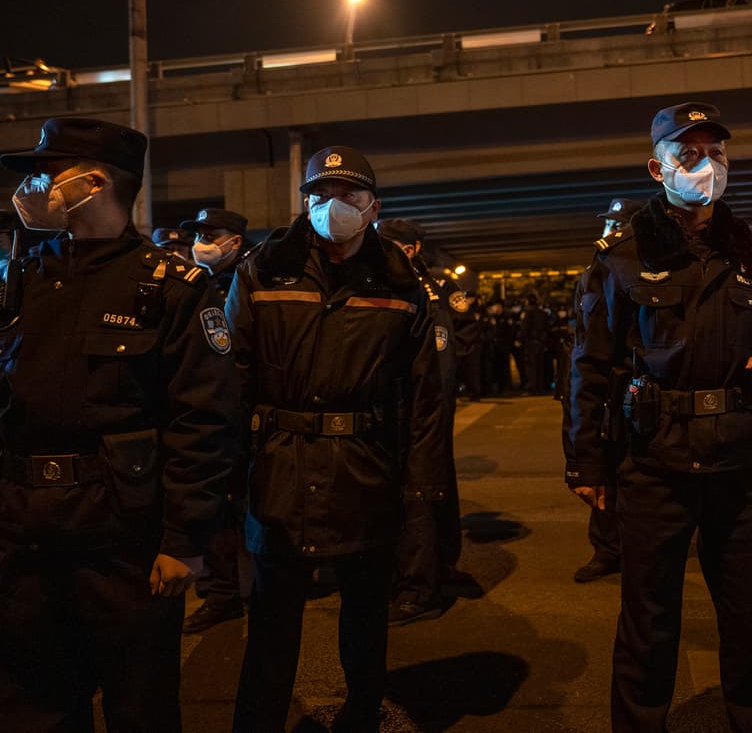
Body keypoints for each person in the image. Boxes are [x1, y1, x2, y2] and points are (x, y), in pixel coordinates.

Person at [567, 101, 752, 732]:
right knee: (648, 618)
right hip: (653, 463)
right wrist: (587, 461)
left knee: (748, 614)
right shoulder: (622, 256)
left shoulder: (751, 251)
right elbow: (589, 364)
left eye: (716, 153)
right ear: (657, 166)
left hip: (737, 462)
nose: (707, 167)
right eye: (689, 155)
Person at [0, 117, 240, 730]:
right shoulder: (23, 278)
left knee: (141, 706)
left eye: (46, 174)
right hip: (24, 531)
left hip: (122, 537)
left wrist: (184, 540)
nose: (30, 186)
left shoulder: (172, 287)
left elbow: (202, 421)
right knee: (34, 705)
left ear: (93, 182)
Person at [229, 146, 447, 732]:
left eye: (349, 196)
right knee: (271, 624)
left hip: (364, 471)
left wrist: (420, 495)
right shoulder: (262, 269)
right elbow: (231, 380)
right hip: (280, 471)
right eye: (321, 194)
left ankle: (361, 716)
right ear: (305, 202)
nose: (334, 206)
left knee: (364, 620)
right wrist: (224, 484)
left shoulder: (402, 283)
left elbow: (424, 399)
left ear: (373, 207)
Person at [376, 218, 461, 625]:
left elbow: (438, 367)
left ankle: (417, 590)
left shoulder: (424, 292)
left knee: (417, 501)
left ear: (409, 249)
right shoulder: (402, 284)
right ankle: (436, 568)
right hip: (403, 411)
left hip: (415, 414)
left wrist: (431, 421)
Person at [179, 206, 255, 633]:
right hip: (208, 412)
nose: (201, 242)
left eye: (212, 234)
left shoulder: (249, 282)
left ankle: (251, 588)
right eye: (199, 233)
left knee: (247, 507)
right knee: (216, 509)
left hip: (242, 414)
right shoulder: (198, 284)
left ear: (235, 241)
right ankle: (222, 593)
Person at [569, 197, 642, 583]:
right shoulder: (595, 270)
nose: (609, 231)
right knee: (598, 471)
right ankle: (605, 548)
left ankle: (629, 552)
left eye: (617, 225)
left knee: (628, 479)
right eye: (608, 224)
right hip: (595, 386)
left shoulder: (633, 270)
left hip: (627, 392)